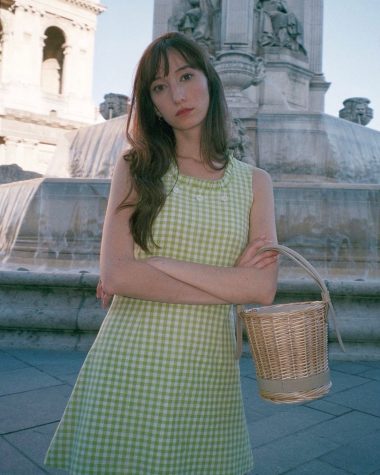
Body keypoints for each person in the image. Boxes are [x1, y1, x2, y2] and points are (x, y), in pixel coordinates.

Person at [45, 31, 278, 475]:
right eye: (159, 86)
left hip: (208, 374)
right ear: (151, 103)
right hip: (130, 361)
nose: (176, 94)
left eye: (186, 76)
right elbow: (116, 276)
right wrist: (228, 286)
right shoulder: (136, 167)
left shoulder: (256, 183)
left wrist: (159, 264)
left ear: (210, 81)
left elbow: (263, 288)